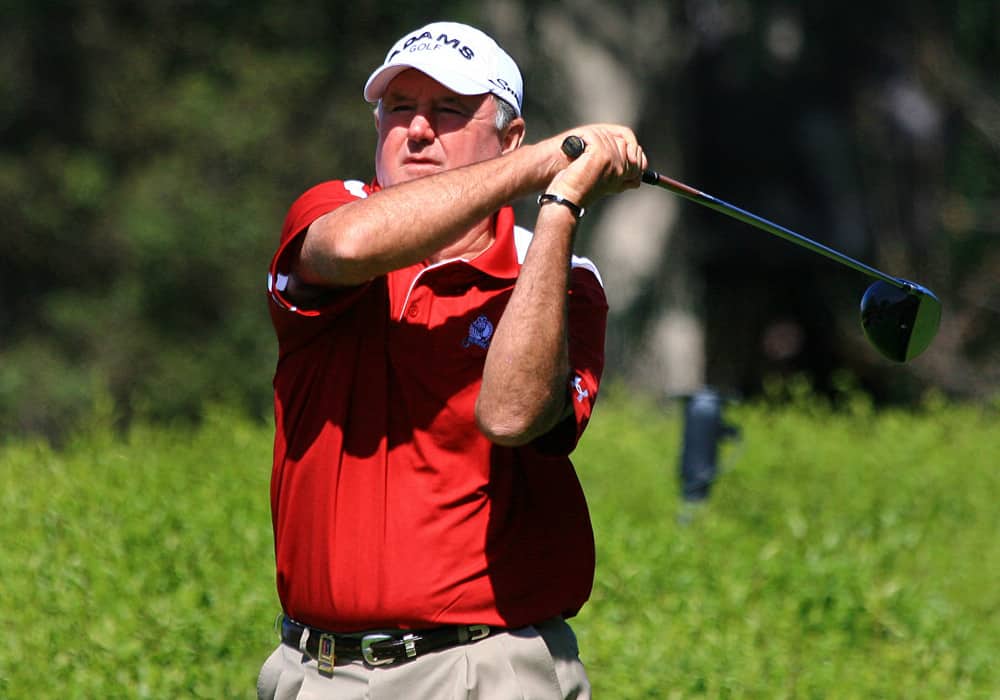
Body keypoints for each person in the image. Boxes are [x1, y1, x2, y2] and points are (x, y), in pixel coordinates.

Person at [258, 20, 646, 700]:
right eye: (399, 109)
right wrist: (545, 165)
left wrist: (558, 206)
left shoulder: (561, 275)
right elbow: (346, 249)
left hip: (483, 668)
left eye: (448, 111)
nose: (416, 130)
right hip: (310, 670)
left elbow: (511, 415)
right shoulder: (333, 213)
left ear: (510, 135)